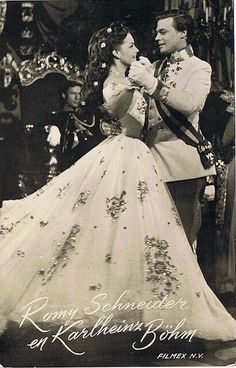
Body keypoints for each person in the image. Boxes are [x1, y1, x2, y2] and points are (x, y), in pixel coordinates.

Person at [0, 22, 236, 352]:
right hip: (126, 156)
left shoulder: (155, 71)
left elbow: (174, 103)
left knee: (152, 242)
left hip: (148, 158)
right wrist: (133, 85)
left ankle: (162, 318)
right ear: (115, 51)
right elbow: (117, 109)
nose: (138, 49)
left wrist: (144, 81)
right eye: (131, 45)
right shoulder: (118, 80)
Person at [127, 10, 216, 248]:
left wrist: (151, 83)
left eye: (163, 31)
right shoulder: (154, 67)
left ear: (183, 33)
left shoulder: (199, 68)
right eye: (156, 32)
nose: (157, 37)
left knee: (182, 245)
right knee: (152, 243)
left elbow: (191, 103)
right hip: (150, 166)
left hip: (182, 169)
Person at [47, 80, 104, 172]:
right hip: (63, 165)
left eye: (80, 94)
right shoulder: (56, 117)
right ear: (64, 95)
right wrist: (52, 128)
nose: (77, 97)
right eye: (73, 93)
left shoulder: (88, 117)